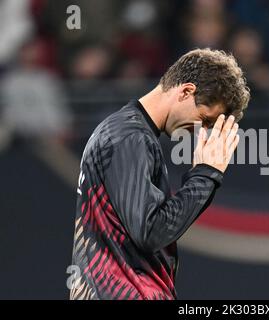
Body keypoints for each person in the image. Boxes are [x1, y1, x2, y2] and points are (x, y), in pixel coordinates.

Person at [70, 48, 250, 300]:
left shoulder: (127, 133)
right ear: (186, 91)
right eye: (205, 120)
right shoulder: (130, 137)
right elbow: (150, 231)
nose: (202, 132)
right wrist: (206, 175)